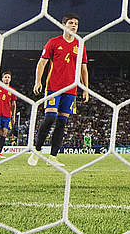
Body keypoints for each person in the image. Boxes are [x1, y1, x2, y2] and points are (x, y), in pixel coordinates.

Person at [28, 14, 89, 166]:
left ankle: (53, 157)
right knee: (50, 118)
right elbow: (42, 63)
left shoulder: (80, 44)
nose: (74, 26)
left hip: (71, 89)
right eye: (71, 23)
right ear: (63, 25)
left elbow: (83, 69)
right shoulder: (53, 42)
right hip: (53, 87)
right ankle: (37, 150)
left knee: (62, 122)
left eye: (76, 23)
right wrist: (38, 81)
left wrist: (86, 89)